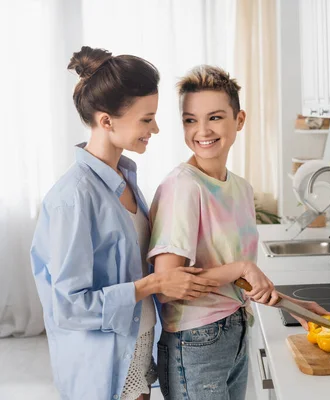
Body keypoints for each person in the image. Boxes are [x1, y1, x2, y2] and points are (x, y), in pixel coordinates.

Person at [30, 46, 221, 400]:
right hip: (102, 365)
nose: (157, 128)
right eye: (146, 119)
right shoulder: (74, 198)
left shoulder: (127, 178)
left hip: (138, 348)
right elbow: (69, 307)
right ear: (106, 121)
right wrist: (152, 284)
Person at [148, 65, 330, 400]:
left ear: (240, 120)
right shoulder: (182, 187)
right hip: (194, 341)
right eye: (190, 120)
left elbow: (236, 282)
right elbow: (167, 285)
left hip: (233, 330)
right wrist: (242, 268)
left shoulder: (241, 189)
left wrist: (293, 305)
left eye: (215, 117)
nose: (202, 130)